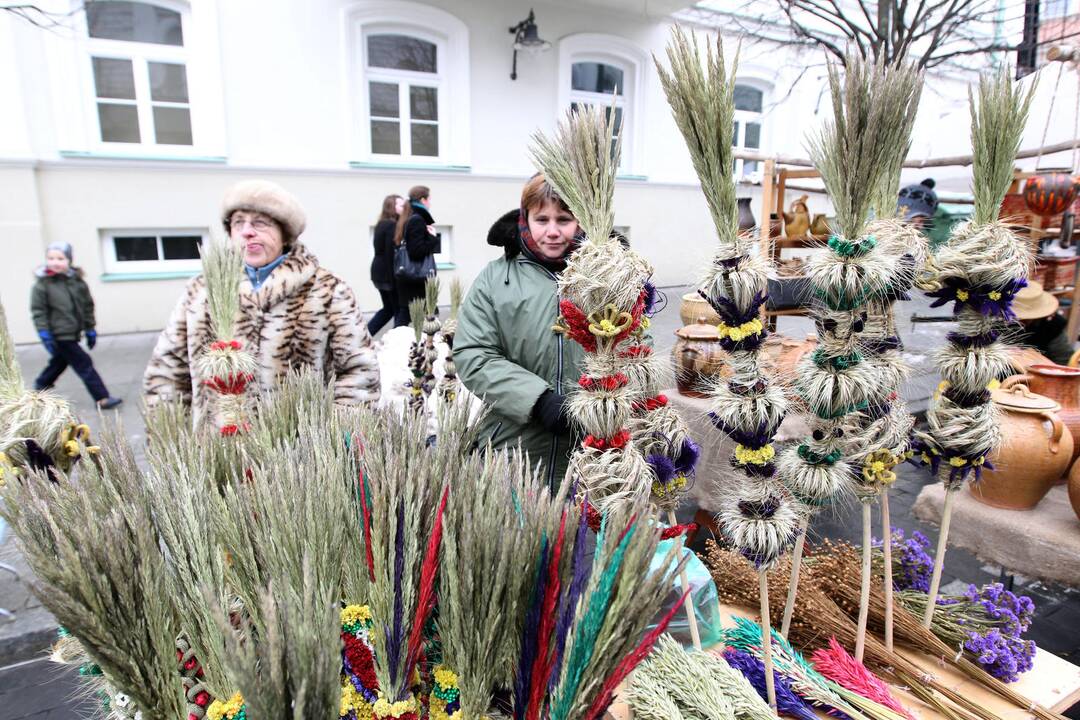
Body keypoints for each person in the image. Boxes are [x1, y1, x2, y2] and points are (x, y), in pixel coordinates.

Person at [143, 180, 380, 420]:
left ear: (285, 235)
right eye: (238, 223)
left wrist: (335, 438)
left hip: (298, 449)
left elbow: (359, 371)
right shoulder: (201, 291)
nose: (247, 231)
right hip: (217, 450)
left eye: (260, 223)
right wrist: (172, 437)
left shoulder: (327, 290)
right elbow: (168, 370)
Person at [454, 174, 586, 487]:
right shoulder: (495, 279)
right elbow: (473, 353)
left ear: (581, 220)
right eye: (542, 219)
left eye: (564, 220)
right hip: (515, 452)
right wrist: (538, 401)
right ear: (524, 219)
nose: (552, 232)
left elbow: (637, 349)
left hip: (592, 457)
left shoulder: (610, 282)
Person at [31, 242, 122, 409]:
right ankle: (102, 398)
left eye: (60, 258)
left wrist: (90, 328)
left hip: (73, 332)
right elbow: (39, 311)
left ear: (69, 260)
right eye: (51, 258)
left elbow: (87, 306)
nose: (55, 262)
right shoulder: (43, 284)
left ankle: (39, 388)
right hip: (59, 334)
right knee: (84, 363)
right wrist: (43, 332)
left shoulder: (77, 282)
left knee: (59, 363)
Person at [393, 185, 440, 327]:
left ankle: (401, 345)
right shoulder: (417, 219)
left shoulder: (409, 217)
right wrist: (432, 237)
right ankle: (432, 346)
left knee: (406, 316)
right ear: (423, 200)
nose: (430, 203)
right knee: (425, 318)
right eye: (429, 199)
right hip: (416, 280)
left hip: (410, 280)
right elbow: (416, 251)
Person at [1013, 280, 1075, 365]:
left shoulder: (1051, 324)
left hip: (1040, 372)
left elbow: (1063, 359)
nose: (1021, 320)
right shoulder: (995, 321)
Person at [368, 194, 403, 336]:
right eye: (401, 205)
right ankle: (397, 341)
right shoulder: (391, 225)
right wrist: (394, 280)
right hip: (386, 274)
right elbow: (389, 254)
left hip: (378, 272)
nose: (404, 207)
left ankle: (365, 336)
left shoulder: (381, 223)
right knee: (399, 310)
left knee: (389, 309)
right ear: (392, 207)